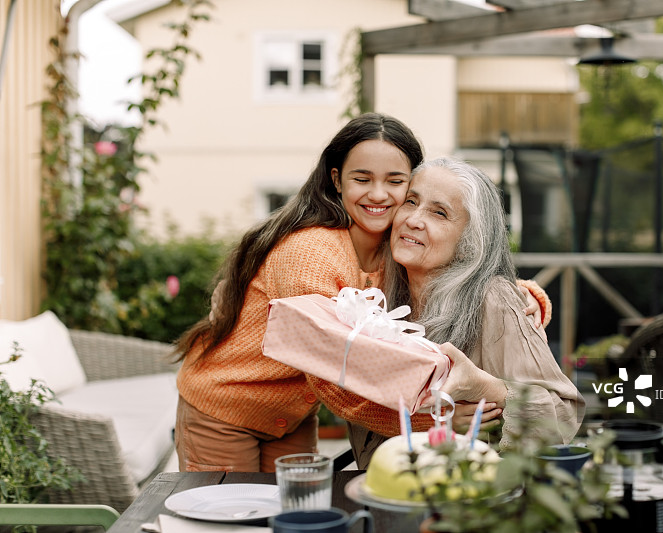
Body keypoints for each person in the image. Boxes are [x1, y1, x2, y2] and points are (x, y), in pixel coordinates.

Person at [174, 113, 548, 473]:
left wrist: (521, 294)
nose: (379, 194)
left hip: (291, 415)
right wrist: (428, 422)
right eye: (362, 179)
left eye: (395, 181)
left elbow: (454, 271)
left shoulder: (394, 249)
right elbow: (334, 377)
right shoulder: (310, 254)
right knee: (229, 516)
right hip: (224, 408)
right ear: (337, 180)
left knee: (294, 513)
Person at [307, 156, 584, 467]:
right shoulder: (374, 296)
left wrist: (487, 388)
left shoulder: (492, 300)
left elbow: (564, 414)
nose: (413, 219)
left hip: (472, 502)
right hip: (390, 490)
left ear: (469, 240)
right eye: (411, 202)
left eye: (439, 213)